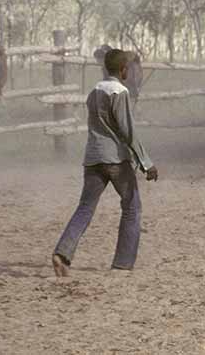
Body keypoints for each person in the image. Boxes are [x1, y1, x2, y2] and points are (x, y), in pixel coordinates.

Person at [52, 49, 158, 276]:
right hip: (116, 160)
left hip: (92, 158)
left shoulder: (94, 91)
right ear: (123, 70)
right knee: (132, 207)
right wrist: (146, 163)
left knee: (85, 207)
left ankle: (62, 252)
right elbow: (128, 131)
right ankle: (122, 264)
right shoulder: (120, 92)